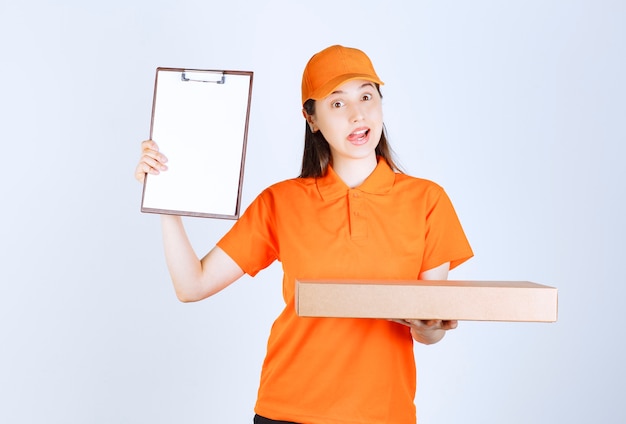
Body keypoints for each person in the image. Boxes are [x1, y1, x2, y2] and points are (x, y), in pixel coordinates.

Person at [135, 45, 473, 424]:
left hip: (385, 414)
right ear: (311, 119)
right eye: (337, 103)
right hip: (288, 412)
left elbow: (428, 333)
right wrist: (166, 198)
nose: (358, 114)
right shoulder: (281, 202)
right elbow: (191, 285)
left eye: (366, 96)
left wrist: (430, 327)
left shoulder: (428, 200)